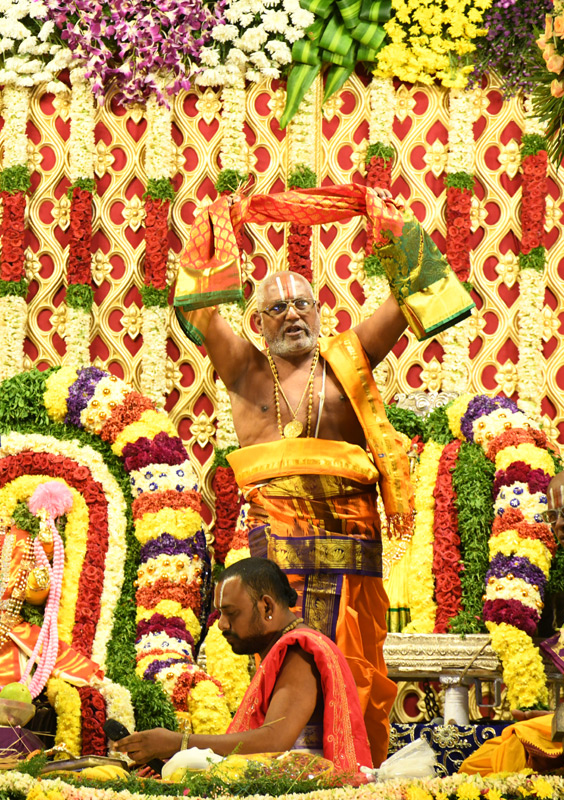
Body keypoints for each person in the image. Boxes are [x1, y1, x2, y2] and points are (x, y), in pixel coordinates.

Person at [169, 189, 423, 765]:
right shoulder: (244, 368)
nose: (292, 314)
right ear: (257, 322)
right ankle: (282, 767)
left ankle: (351, 769)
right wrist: (215, 227)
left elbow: (414, 295)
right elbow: (199, 309)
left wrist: (391, 225)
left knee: (355, 667)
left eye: (302, 304)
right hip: (278, 548)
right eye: (277, 307)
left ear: (319, 310)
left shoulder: (347, 357)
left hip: (351, 543)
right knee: (283, 659)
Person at [116, 558, 372, 775]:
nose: (221, 625)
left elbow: (273, 742)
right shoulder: (282, 650)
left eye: (231, 613)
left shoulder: (299, 651)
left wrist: (179, 743)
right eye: (219, 614)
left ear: (267, 607)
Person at [459, 466, 564, 776]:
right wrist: (555, 716)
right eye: (552, 515)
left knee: (502, 755)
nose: (560, 525)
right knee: (492, 755)